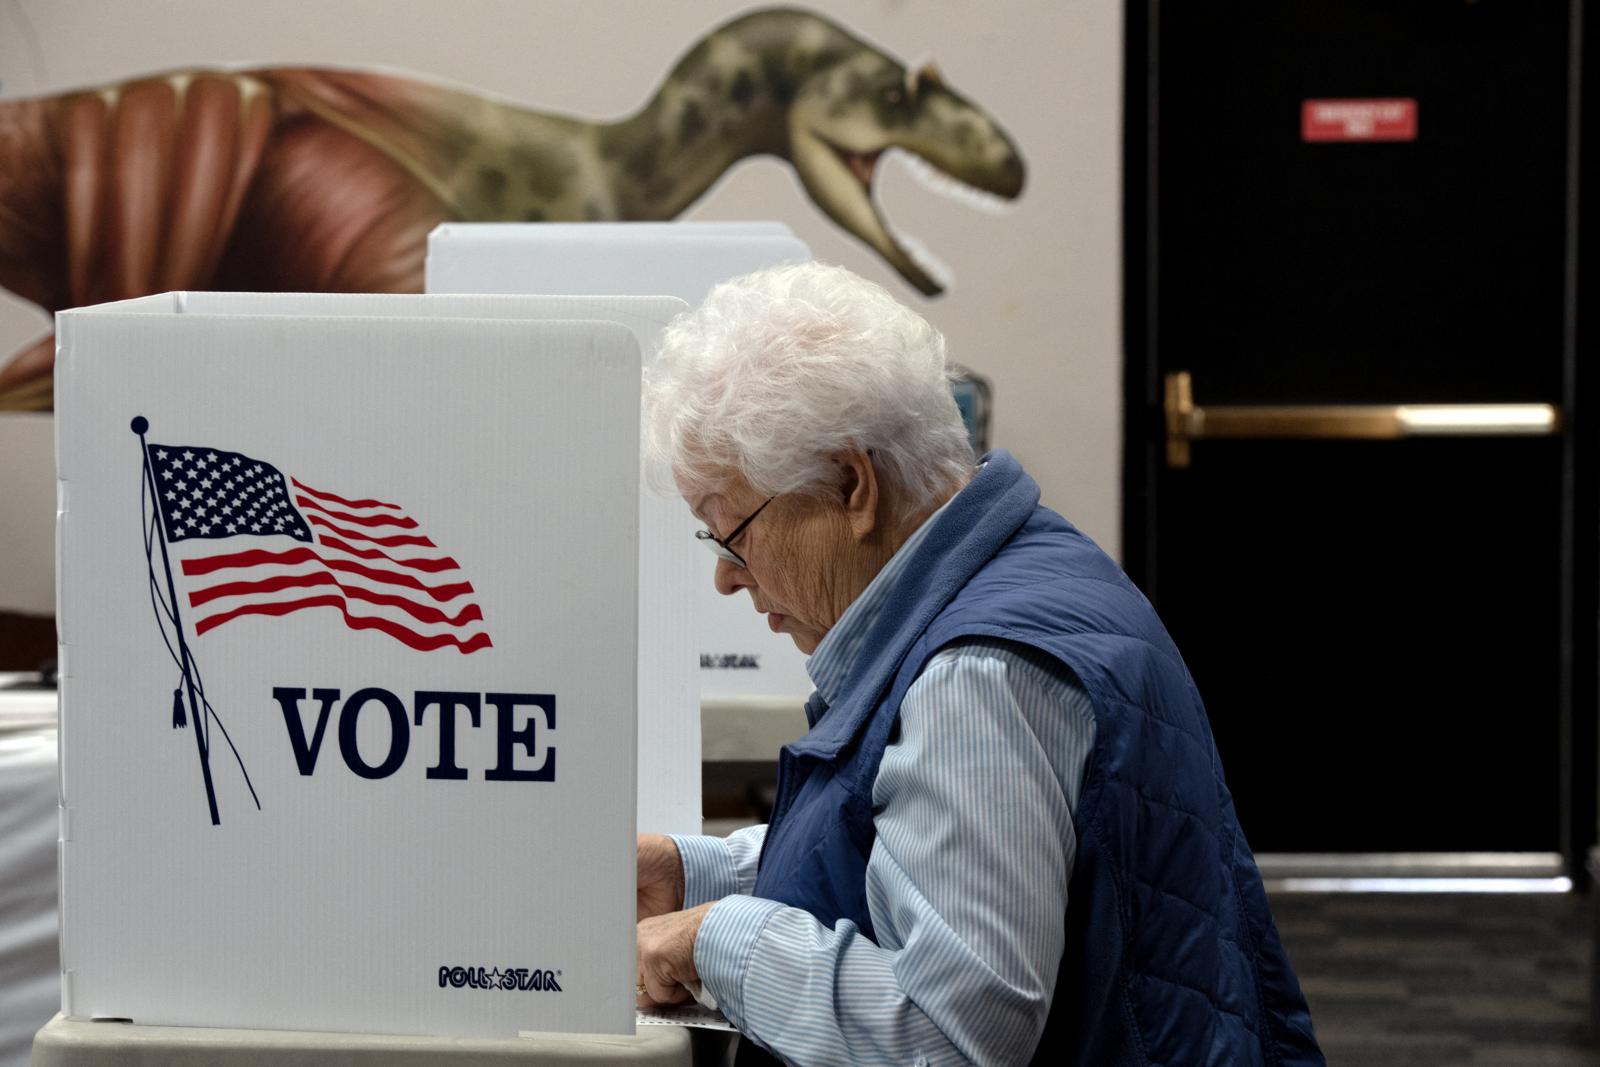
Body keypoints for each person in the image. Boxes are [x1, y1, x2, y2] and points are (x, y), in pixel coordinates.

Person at [634, 262, 1323, 1066]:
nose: (726, 573)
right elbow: (920, 853)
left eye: (733, 531)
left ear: (853, 484)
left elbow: (948, 1032)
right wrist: (705, 874)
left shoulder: (978, 678)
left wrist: (722, 939)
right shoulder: (1029, 568)